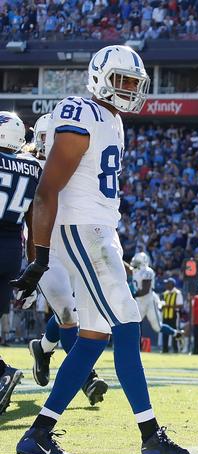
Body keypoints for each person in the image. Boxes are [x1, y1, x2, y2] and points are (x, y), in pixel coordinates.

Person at [11, 45, 198, 454]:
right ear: (99, 77)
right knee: (128, 323)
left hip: (99, 231)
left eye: (134, 83)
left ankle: (38, 433)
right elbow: (46, 190)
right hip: (83, 230)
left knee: (94, 337)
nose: (129, 90)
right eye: (122, 81)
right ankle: (152, 436)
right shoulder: (80, 111)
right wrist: (39, 258)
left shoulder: (111, 120)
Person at [26, 112, 109, 406]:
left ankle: (43, 348)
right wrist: (32, 267)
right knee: (69, 316)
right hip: (47, 253)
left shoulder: (79, 166)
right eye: (51, 138)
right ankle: (88, 379)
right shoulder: (32, 168)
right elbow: (27, 218)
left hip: (75, 246)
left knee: (72, 312)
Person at [0, 111, 36, 414]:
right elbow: (34, 222)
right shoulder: (33, 168)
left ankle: (2, 373)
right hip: (13, 249)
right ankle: (2, 374)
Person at [129, 253, 183, 348]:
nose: (134, 264)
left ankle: (177, 333)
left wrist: (132, 294)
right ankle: (134, 346)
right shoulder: (136, 271)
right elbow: (128, 269)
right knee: (133, 323)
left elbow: (145, 290)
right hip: (139, 301)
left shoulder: (147, 271)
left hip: (149, 301)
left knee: (157, 327)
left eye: (137, 262)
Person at [161, 277, 184, 353]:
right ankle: (165, 349)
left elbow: (180, 305)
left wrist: (169, 306)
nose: (166, 285)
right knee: (165, 332)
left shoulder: (177, 293)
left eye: (168, 283)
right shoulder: (165, 293)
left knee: (175, 332)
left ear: (172, 284)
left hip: (174, 316)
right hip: (165, 315)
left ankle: (176, 349)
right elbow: (162, 304)